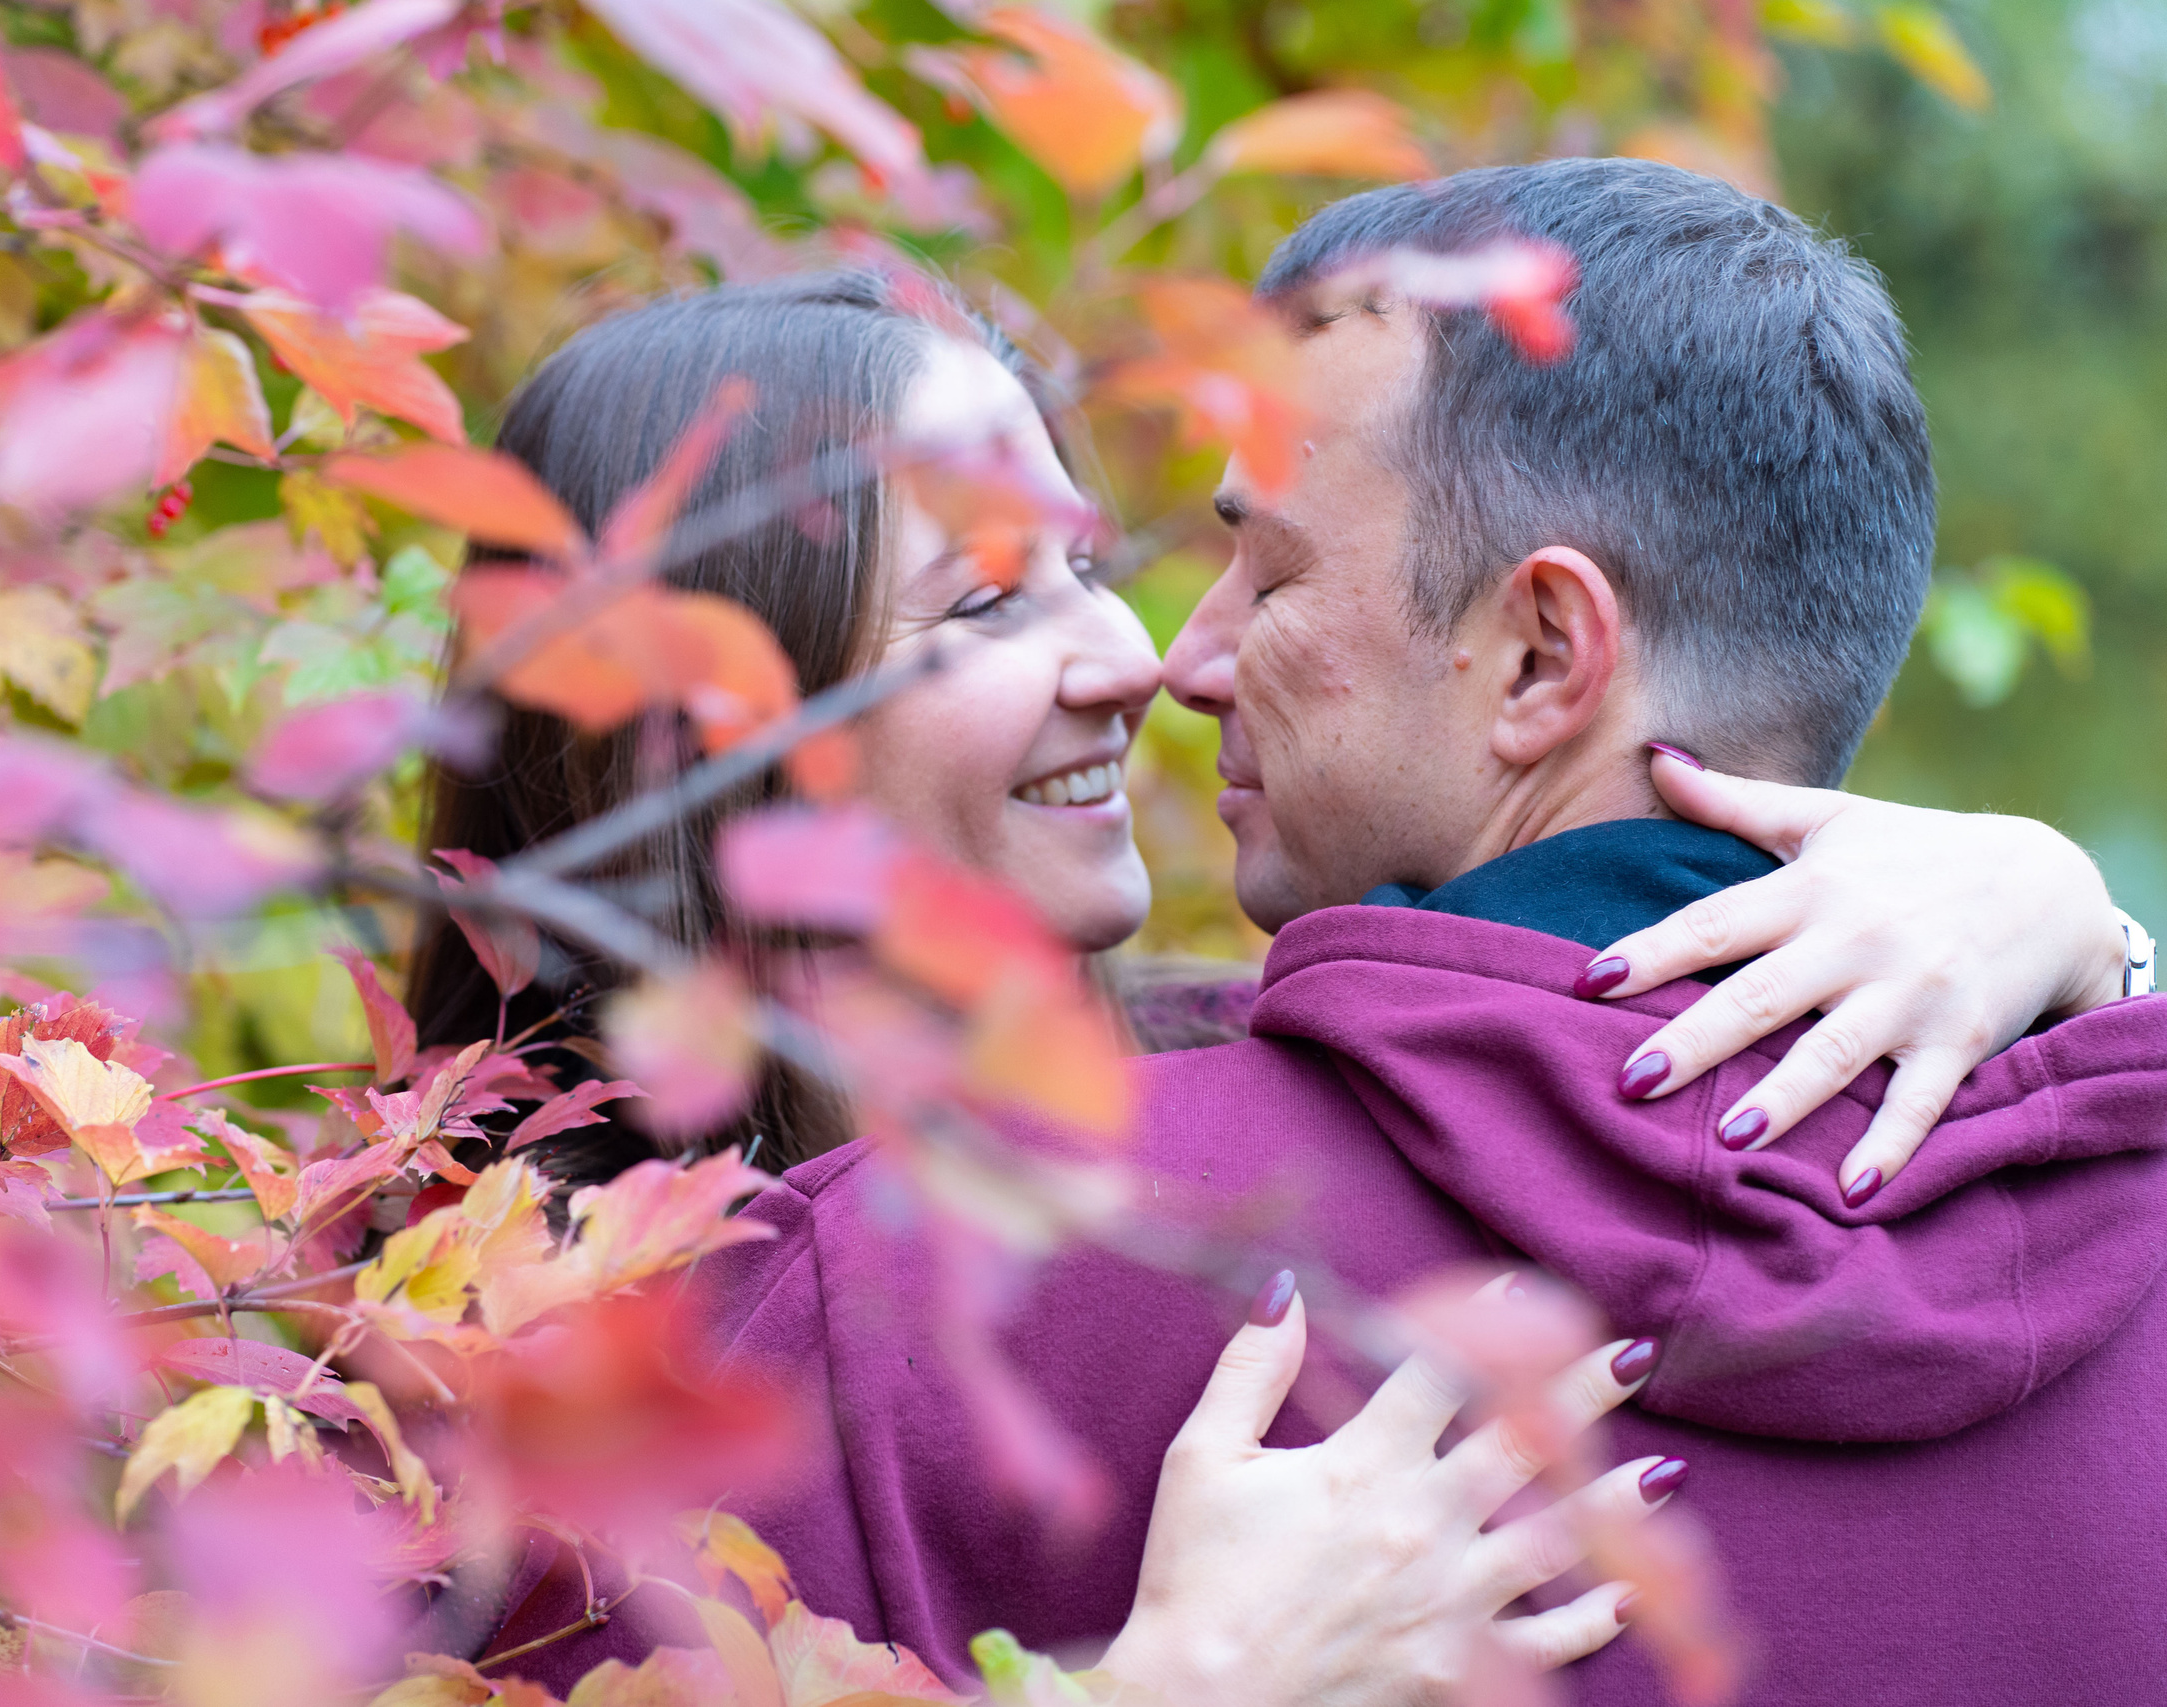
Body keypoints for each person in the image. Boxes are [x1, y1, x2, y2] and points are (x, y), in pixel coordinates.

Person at [419, 248, 2150, 1701]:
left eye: (1087, 569)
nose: (1138, 657)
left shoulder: (1232, 1095)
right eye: (984, 605)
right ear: (685, 746)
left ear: (1550, 651)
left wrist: (2077, 931)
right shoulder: (423, 1357)